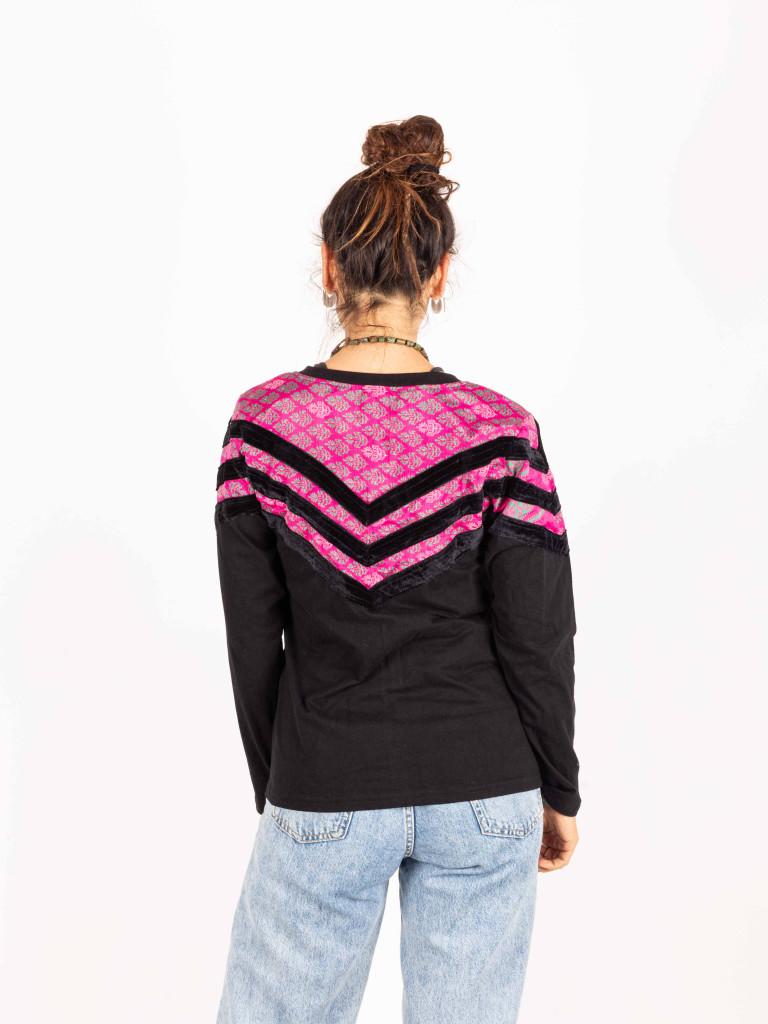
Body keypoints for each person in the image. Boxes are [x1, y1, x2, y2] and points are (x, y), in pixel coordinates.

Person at [213, 114, 581, 1024]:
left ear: (329, 269)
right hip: (487, 784)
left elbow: (253, 640)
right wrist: (559, 785)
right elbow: (538, 634)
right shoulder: (501, 430)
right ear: (439, 277)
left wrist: (285, 787)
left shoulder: (262, 426)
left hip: (326, 773)